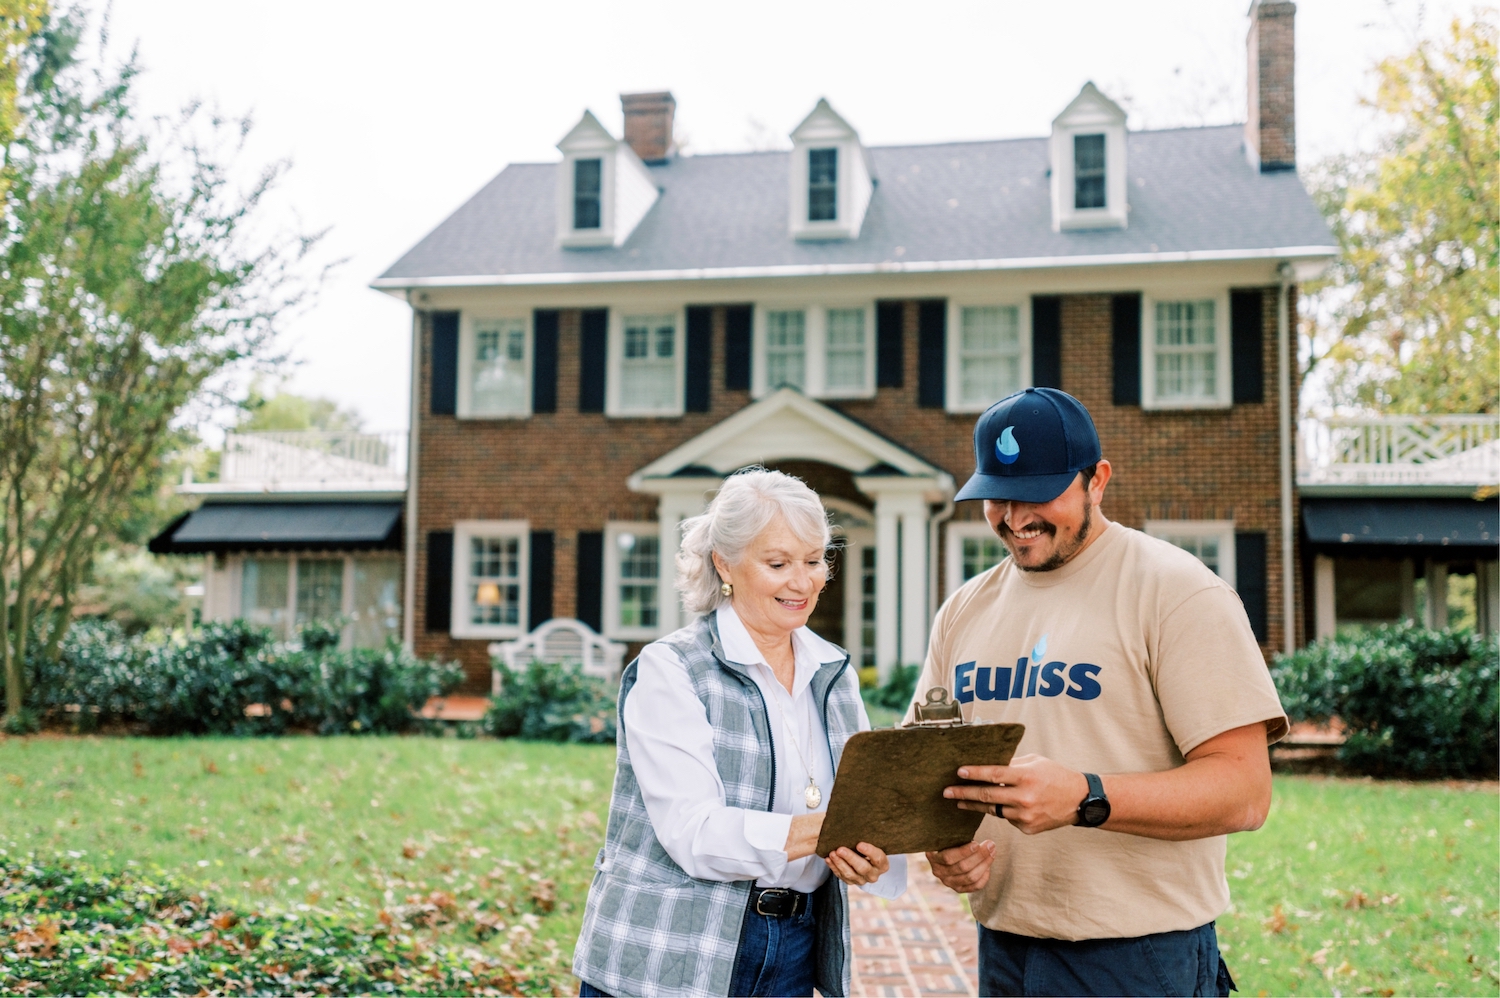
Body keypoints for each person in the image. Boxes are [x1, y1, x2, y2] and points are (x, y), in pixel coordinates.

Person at [913, 387, 1287, 997]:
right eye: (995, 497)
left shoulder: (1177, 591)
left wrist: (1087, 797)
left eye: (1038, 493)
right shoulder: (964, 609)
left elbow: (1244, 792)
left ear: (1098, 480)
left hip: (1139, 959)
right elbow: (924, 764)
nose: (1013, 517)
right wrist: (942, 844)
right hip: (1004, 948)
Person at [573, 468, 907, 998]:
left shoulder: (834, 672)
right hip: (671, 950)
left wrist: (875, 850)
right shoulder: (671, 669)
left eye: (815, 560)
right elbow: (693, 832)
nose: (803, 582)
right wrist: (827, 831)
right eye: (778, 563)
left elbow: (860, 806)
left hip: (795, 946)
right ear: (724, 564)